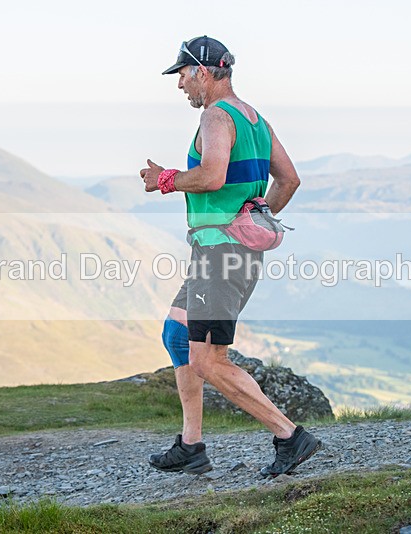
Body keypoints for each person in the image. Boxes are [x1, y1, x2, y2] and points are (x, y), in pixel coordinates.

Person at [139, 35, 321, 478]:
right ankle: (191, 446)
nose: (180, 85)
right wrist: (254, 221)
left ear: (202, 72)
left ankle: (289, 436)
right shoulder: (255, 119)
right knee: (176, 333)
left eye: (182, 74)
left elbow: (211, 175)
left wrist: (164, 179)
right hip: (220, 252)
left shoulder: (216, 117)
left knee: (208, 361)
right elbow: (289, 180)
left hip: (221, 256)